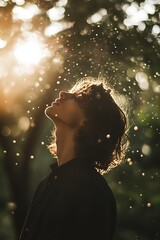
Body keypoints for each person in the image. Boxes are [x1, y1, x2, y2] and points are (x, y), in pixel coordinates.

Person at [19, 77, 128, 240]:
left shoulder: (93, 191)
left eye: (78, 98)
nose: (63, 93)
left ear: (87, 122)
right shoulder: (46, 183)